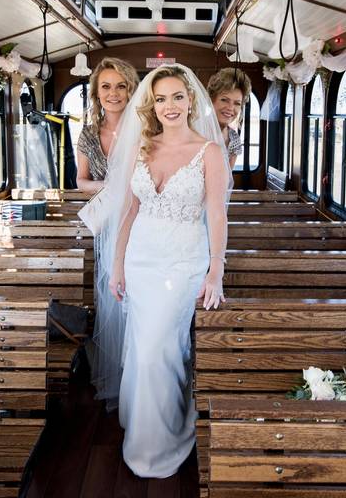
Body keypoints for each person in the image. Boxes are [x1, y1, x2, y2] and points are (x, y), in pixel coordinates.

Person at [79, 64, 230, 478]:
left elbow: (216, 214)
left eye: (177, 96)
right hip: (140, 261)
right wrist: (116, 266)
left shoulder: (209, 152)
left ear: (190, 100)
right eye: (161, 98)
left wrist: (215, 272)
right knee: (145, 347)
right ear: (152, 104)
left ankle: (160, 443)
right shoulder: (143, 147)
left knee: (155, 352)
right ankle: (149, 420)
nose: (170, 106)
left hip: (183, 261)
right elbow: (128, 211)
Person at [75, 57, 139, 193]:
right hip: (102, 210)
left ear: (130, 91)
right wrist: (106, 186)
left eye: (121, 86)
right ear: (97, 92)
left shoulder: (146, 131)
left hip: (141, 211)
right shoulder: (88, 135)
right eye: (106, 86)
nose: (113, 93)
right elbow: (81, 180)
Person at [206, 67, 252, 168]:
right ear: (211, 100)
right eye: (224, 100)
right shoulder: (194, 131)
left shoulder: (234, 138)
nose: (230, 108)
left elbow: (228, 179)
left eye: (237, 103)